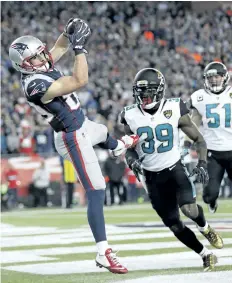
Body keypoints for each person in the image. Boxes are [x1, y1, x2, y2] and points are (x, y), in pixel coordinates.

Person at [8, 18, 138, 273]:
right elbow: (79, 80)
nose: (43, 58)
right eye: (36, 57)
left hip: (82, 126)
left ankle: (116, 146)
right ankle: (103, 252)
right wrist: (81, 48)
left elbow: (58, 48)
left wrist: (68, 33)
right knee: (96, 189)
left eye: (40, 52)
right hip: (71, 136)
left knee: (101, 131)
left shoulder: (39, 65)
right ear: (23, 65)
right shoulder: (34, 84)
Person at [121, 68, 223, 271]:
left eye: (148, 91)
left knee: (189, 209)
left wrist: (202, 163)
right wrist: (132, 161)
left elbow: (199, 140)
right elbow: (128, 148)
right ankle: (205, 254)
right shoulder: (129, 115)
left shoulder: (175, 108)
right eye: (140, 92)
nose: (143, 96)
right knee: (173, 223)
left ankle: (204, 227)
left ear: (159, 91)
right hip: (151, 177)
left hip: (174, 169)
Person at [184, 62, 232, 213]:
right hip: (212, 152)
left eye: (217, 76)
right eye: (210, 77)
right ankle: (213, 202)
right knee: (208, 196)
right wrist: (186, 144)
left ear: (224, 77)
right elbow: (193, 124)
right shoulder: (200, 97)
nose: (213, 80)